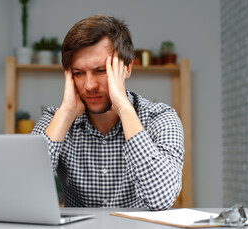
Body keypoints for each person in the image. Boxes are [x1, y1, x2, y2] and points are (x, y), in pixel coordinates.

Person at [32, 14, 184, 210]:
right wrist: (66, 113)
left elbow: (162, 198)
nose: (89, 85)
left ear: (127, 68)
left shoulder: (160, 118)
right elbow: (21, 194)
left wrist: (123, 108)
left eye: (101, 70)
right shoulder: (56, 119)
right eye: (78, 73)